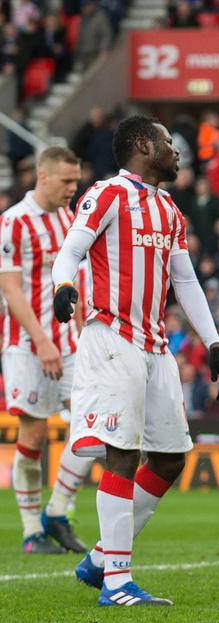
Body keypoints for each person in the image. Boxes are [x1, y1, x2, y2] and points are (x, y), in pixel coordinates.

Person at [51, 116, 219, 606]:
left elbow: (186, 280)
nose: (177, 152)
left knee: (171, 457)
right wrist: (63, 287)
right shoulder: (107, 194)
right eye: (170, 144)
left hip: (156, 346)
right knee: (122, 453)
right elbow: (69, 251)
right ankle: (116, 582)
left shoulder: (169, 209)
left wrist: (214, 343)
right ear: (142, 145)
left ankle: (97, 560)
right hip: (112, 337)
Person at [0, 147, 96, 554]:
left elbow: (78, 279)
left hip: (71, 342)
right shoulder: (13, 222)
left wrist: (84, 329)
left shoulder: (70, 218)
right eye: (66, 181)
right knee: (35, 432)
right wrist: (41, 340)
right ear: (43, 177)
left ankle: (57, 510)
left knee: (94, 425)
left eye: (76, 181)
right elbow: (9, 289)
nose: (73, 189)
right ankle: (31, 532)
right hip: (25, 343)